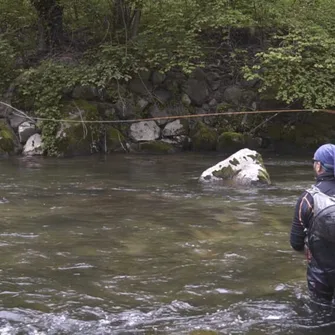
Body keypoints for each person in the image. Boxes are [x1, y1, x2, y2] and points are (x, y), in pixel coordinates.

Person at [290, 143, 335, 305]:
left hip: (320, 274)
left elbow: (295, 243)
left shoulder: (307, 199)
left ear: (318, 166)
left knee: (320, 314)